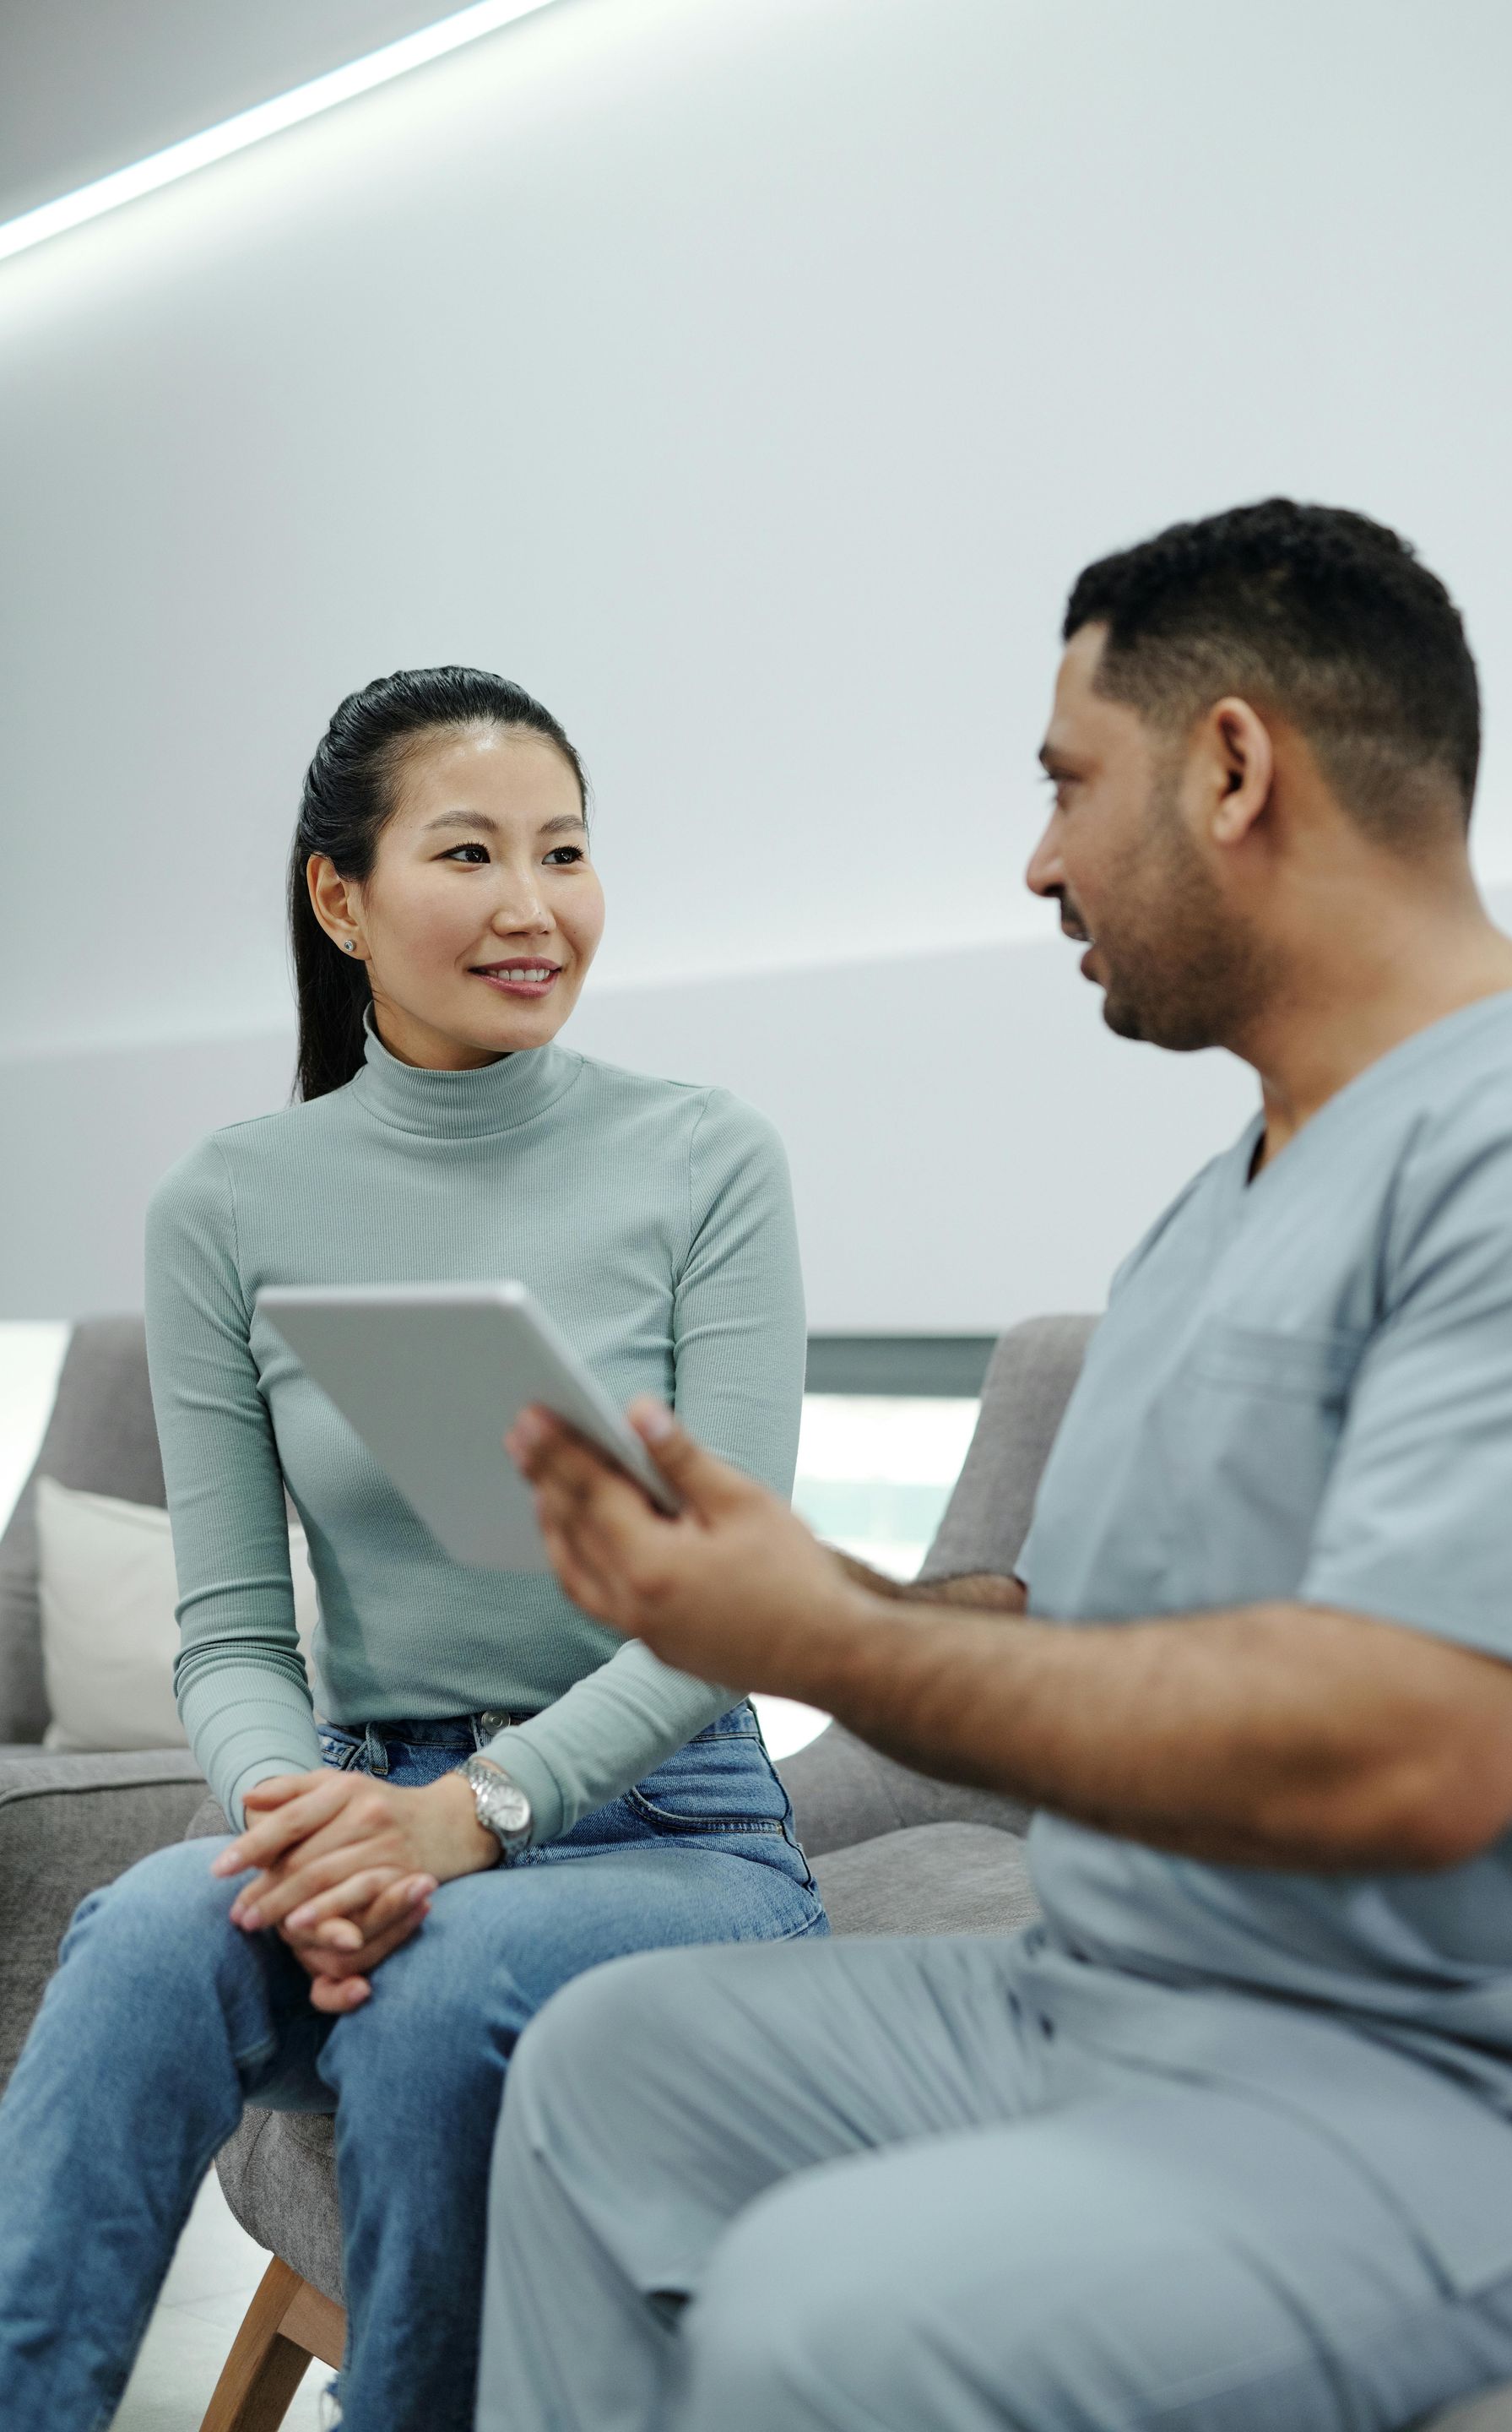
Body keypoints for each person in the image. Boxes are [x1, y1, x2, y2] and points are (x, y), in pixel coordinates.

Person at [477, 505, 1512, 2432]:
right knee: (606, 2064)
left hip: (1442, 2095)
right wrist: (795, 1596)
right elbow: (1110, 1632)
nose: (1036, 859)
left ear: (1236, 768)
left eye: (1067, 784)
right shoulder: (1219, 1196)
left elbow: (1410, 1748)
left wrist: (831, 1653)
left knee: (828, 2321)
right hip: (1098, 2008)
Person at [0, 666, 824, 2432]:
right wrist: (300, 1811)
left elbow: (728, 1620)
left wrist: (475, 1820)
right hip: (363, 1811)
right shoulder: (230, 1204)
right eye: (471, 852)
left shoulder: (704, 1165)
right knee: (142, 1941)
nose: (536, 907)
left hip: (677, 1842)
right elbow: (229, 1635)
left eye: (567, 852)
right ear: (342, 897)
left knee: (440, 1994)